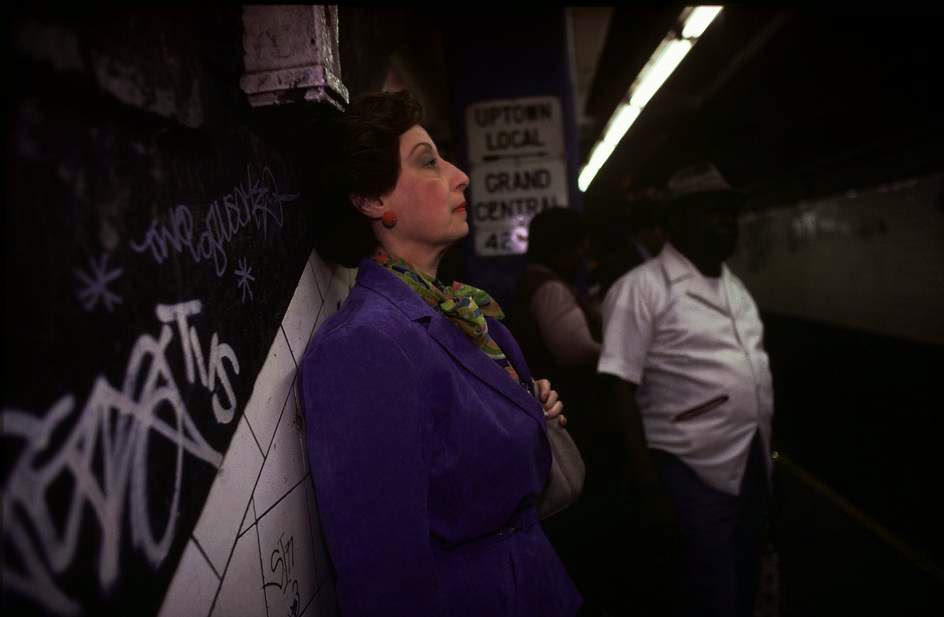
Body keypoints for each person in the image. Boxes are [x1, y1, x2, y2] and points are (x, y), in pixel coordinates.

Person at [298, 90, 582, 617]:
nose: (460, 175)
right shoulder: (364, 347)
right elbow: (384, 577)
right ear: (371, 201)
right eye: (428, 162)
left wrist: (529, 414)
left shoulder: (462, 311)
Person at [598, 162, 774, 617]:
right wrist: (646, 484)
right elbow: (618, 386)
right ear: (675, 223)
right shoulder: (640, 289)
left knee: (744, 574)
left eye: (729, 213)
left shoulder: (736, 290)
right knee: (710, 591)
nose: (725, 223)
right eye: (708, 212)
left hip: (748, 456)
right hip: (686, 467)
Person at [588, 192, 666, 304]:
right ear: (645, 232)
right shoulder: (620, 265)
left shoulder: (656, 259)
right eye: (661, 231)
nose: (665, 238)